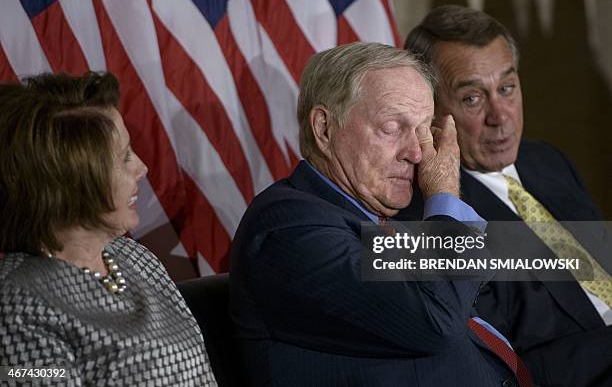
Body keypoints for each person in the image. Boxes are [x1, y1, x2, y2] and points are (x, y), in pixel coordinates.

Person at [229, 42, 528, 386]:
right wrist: (444, 194)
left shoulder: (381, 222)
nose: (417, 153)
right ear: (324, 129)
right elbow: (436, 322)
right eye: (391, 127)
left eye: (424, 130)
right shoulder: (287, 227)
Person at [402, 5, 612, 387]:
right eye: (472, 98)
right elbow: (504, 369)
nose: (500, 116)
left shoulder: (546, 160)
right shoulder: (429, 217)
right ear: (429, 111)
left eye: (507, 88)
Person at [0, 72, 217, 386]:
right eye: (124, 157)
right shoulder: (16, 304)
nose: (141, 168)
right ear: (69, 183)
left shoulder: (136, 258)